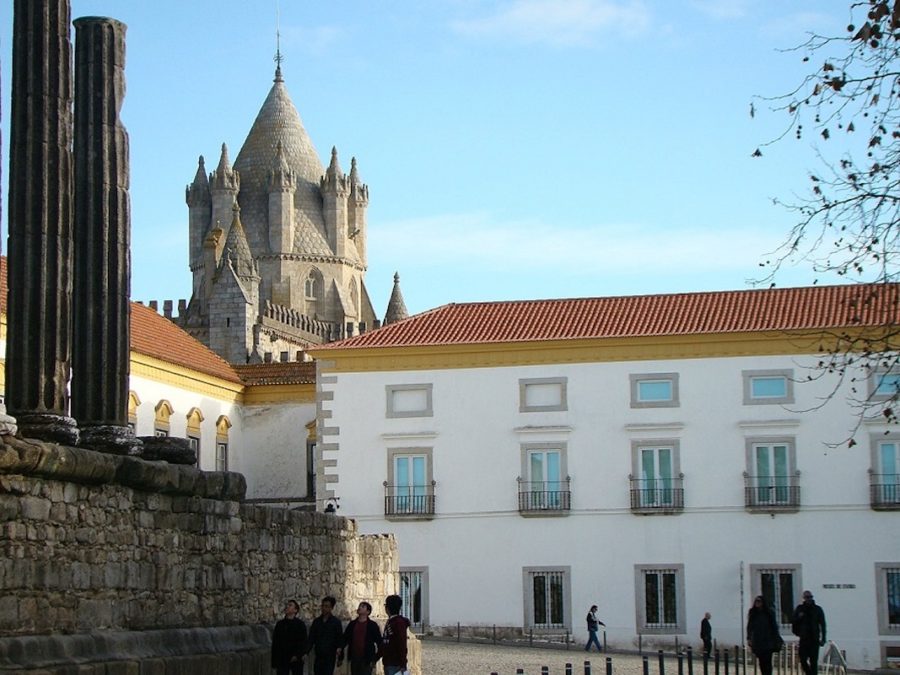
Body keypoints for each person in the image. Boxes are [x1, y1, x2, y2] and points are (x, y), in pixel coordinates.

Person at [339, 601, 382, 675]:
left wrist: (375, 658)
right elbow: (345, 638)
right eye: (359, 606)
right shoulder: (352, 624)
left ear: (368, 612)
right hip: (354, 657)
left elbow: (379, 641)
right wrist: (340, 652)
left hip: (367, 658)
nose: (359, 608)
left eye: (363, 607)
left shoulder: (372, 626)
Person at [792, 590, 827, 675]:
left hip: (814, 639)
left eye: (810, 597)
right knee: (803, 660)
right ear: (804, 598)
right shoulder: (800, 609)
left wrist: (823, 639)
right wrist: (797, 630)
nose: (809, 599)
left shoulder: (817, 609)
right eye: (807, 597)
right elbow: (794, 622)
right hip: (804, 639)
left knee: (813, 662)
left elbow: (823, 624)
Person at [307, 596, 344, 675]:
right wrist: (305, 652)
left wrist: (340, 657)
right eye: (323, 606)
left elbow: (340, 639)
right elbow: (311, 638)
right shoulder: (317, 622)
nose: (324, 608)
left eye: (326, 606)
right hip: (319, 656)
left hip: (330, 656)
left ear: (331, 608)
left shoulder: (336, 622)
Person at [746, 595, 782, 675]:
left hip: (768, 640)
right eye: (756, 601)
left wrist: (776, 638)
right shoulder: (753, 613)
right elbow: (750, 626)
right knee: (761, 662)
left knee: (768, 661)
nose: (757, 603)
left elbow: (774, 627)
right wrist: (749, 638)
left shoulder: (769, 613)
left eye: (759, 601)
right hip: (758, 641)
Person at [271, 599, 307, 675]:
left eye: (290, 605)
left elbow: (303, 642)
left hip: (296, 658)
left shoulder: (300, 625)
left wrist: (297, 655)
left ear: (295, 610)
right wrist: (274, 661)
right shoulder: (280, 624)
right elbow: (276, 643)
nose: (287, 606)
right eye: (287, 605)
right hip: (282, 658)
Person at [380, 594, 411, 675]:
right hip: (389, 661)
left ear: (387, 608)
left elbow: (401, 643)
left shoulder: (398, 623)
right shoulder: (391, 622)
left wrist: (403, 664)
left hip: (395, 663)